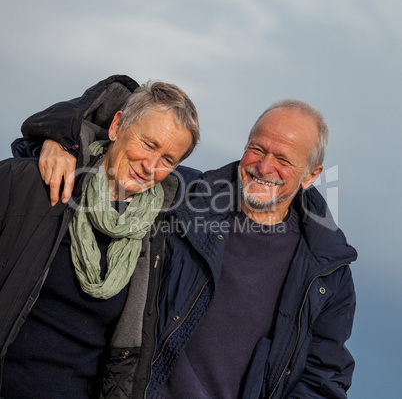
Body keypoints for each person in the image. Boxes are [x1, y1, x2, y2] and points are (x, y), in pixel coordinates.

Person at [12, 80, 358, 398]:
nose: (264, 167)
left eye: (283, 159)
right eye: (257, 149)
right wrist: (59, 141)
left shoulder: (328, 270)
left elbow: (324, 377)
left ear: (311, 175)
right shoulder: (181, 195)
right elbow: (121, 141)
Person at [0, 76, 200, 398]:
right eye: (148, 144)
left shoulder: (158, 235)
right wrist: (52, 137)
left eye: (168, 160)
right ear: (117, 125)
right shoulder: (31, 181)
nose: (150, 166)